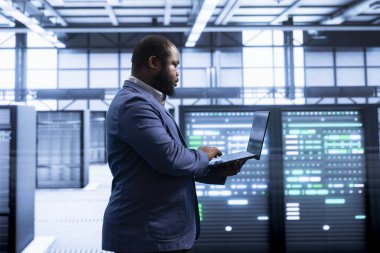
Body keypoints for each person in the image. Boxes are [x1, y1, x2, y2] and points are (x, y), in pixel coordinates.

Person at [102, 34, 243, 253]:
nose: (178, 73)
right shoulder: (134, 103)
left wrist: (216, 169)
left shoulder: (147, 101)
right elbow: (170, 159)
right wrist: (203, 155)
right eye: (174, 65)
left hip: (157, 233)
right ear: (153, 63)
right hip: (147, 234)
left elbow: (158, 168)